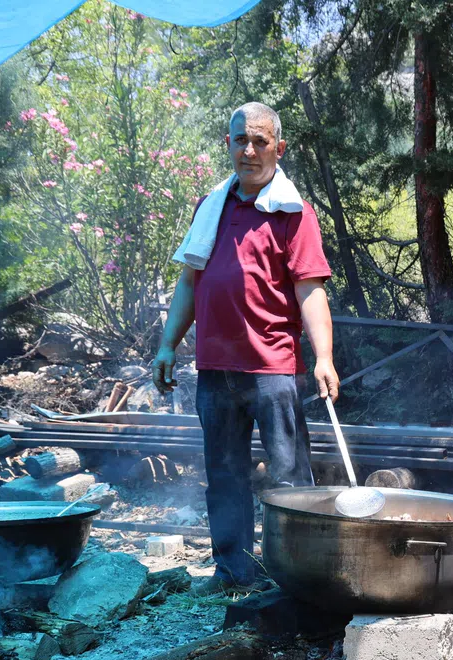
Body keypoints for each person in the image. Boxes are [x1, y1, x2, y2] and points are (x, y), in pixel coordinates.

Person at [153, 102, 338, 589]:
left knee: (289, 478)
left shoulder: (294, 212)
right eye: (241, 141)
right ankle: (233, 572)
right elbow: (190, 281)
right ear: (229, 145)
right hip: (215, 370)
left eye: (260, 141)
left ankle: (297, 577)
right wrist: (168, 345)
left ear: (279, 148)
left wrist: (323, 356)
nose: (249, 151)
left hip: (273, 369)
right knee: (224, 476)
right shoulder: (210, 207)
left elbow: (310, 289)